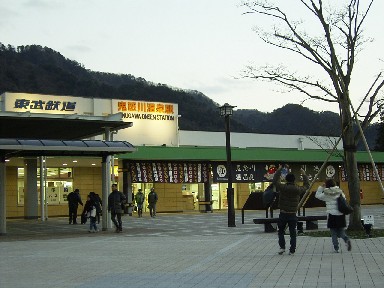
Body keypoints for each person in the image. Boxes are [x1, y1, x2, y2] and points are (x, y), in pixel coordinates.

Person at [273, 164, 309, 255]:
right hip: (293, 214)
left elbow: (275, 181)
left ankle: (282, 247)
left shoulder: (283, 187)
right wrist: (304, 174)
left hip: (283, 213)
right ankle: (292, 250)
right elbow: (306, 186)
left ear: (286, 179)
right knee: (293, 233)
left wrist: (279, 170)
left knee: (281, 231)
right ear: (294, 180)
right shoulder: (297, 189)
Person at [315, 179, 352, 253]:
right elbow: (344, 200)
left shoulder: (326, 194)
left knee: (333, 233)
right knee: (341, 232)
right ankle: (346, 239)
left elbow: (317, 196)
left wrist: (321, 188)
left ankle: (336, 248)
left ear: (327, 185)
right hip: (341, 215)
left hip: (332, 215)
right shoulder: (340, 192)